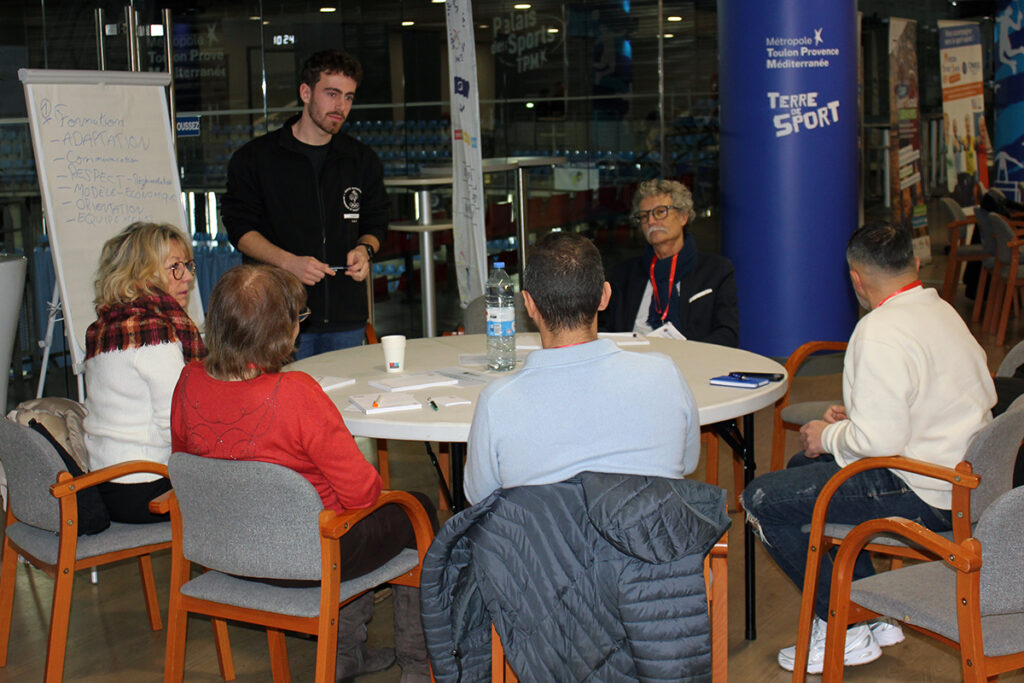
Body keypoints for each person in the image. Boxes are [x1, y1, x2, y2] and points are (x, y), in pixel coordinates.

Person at [741, 223, 996, 674]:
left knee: (761, 500)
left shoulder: (878, 329)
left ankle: (844, 625)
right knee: (801, 467)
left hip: (926, 489)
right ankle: (872, 613)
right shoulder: (941, 310)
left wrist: (827, 434)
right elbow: (933, 399)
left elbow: (879, 443)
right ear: (914, 263)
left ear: (856, 279)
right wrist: (855, 420)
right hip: (962, 476)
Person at [170, 264, 435, 682]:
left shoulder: (188, 382)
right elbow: (363, 493)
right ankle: (417, 664)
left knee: (348, 515)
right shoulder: (295, 393)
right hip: (309, 560)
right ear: (282, 331)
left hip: (226, 554)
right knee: (415, 509)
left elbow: (190, 466)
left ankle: (347, 654)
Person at [464, 231, 700, 505]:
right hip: (650, 532)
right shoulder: (665, 375)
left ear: (528, 304)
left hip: (546, 534)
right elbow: (687, 461)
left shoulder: (498, 401)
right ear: (605, 296)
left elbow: (480, 496)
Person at [220, 48, 387, 360]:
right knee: (285, 393)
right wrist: (287, 263)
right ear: (306, 93)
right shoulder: (256, 158)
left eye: (349, 97)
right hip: (278, 317)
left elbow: (376, 222)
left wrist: (365, 250)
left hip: (346, 317)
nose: (341, 106)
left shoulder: (361, 159)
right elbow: (240, 229)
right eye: (332, 94)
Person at [83, 222, 205, 524]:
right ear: (141, 275)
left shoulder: (105, 327)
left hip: (106, 482)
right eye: (174, 267)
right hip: (147, 488)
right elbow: (177, 427)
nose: (188, 277)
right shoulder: (154, 335)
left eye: (187, 265)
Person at [602, 178, 739, 347]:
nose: (651, 221)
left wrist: (688, 355)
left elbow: (727, 334)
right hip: (634, 359)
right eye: (644, 215)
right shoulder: (623, 275)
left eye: (660, 212)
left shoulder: (715, 271)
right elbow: (603, 330)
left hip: (692, 359)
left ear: (683, 217)